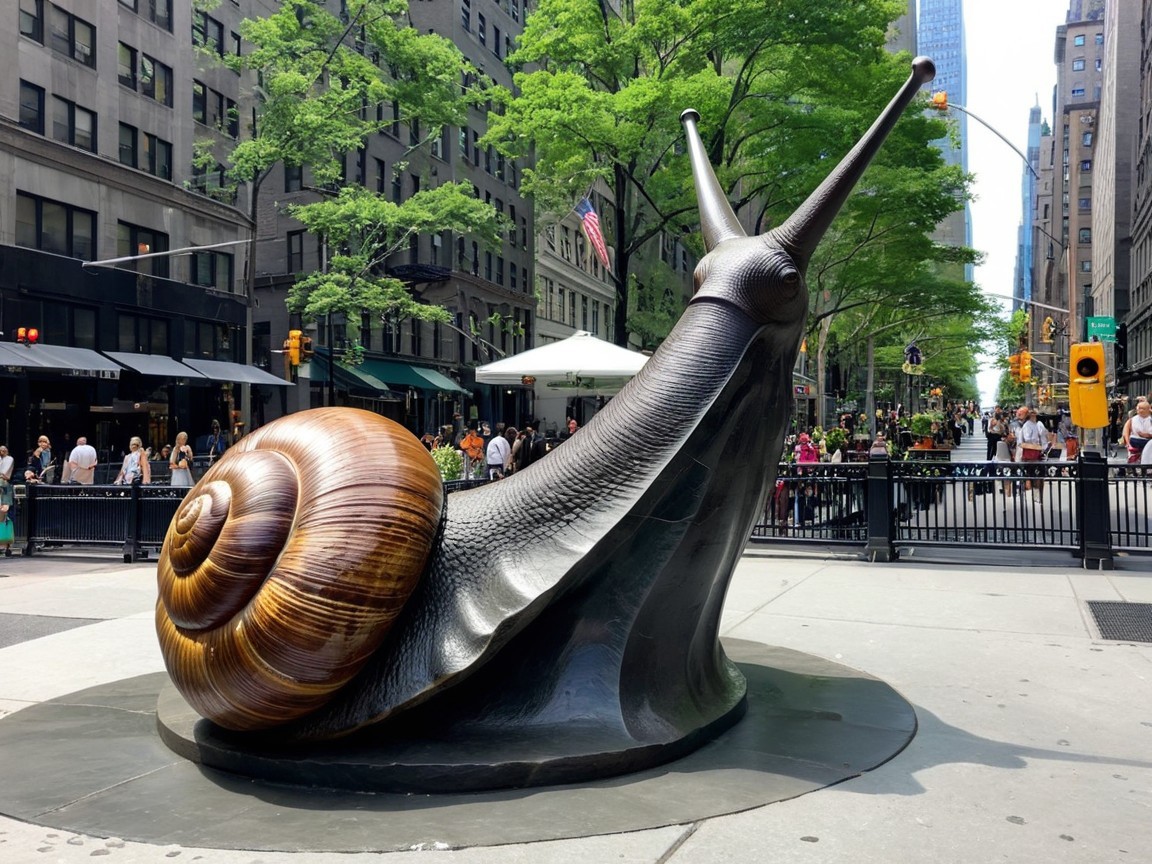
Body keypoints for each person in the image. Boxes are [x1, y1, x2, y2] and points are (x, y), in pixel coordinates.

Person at [1017, 409, 1048, 500]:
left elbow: (1043, 436)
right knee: (1031, 474)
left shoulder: (1037, 424)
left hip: (1037, 452)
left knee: (1039, 474)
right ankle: (1032, 495)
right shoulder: (1027, 425)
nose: (1034, 416)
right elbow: (1027, 438)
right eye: (1032, 414)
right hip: (1030, 452)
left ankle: (1037, 495)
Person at [1123, 398, 1152, 464]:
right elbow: (1126, 432)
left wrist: (1148, 435)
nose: (1140, 410)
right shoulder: (1132, 420)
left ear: (1148, 409)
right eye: (1139, 408)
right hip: (1135, 440)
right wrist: (1128, 444)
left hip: (1149, 441)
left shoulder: (1150, 419)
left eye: (1143, 409)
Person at [0, 445, 14, 510]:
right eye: (1, 449)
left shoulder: (9, 458)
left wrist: (2, 475)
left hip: (6, 480)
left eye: (4, 449)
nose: (2, 450)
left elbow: (4, 472)